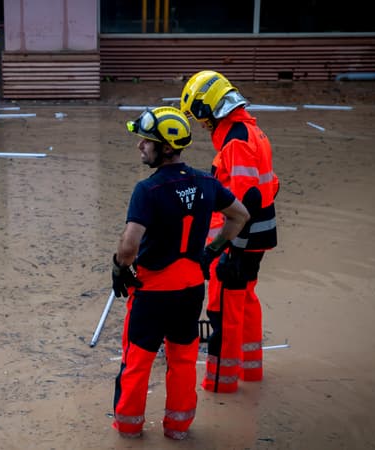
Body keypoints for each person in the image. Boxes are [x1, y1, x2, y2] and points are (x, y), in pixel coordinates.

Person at [111, 106, 250, 439]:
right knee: (184, 360)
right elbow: (240, 215)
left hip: (152, 293)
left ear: (166, 148)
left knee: (138, 362)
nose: (140, 146)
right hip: (190, 291)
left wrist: (119, 267)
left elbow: (129, 246)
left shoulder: (148, 190)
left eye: (146, 141)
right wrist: (212, 252)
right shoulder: (206, 182)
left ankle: (129, 431)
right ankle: (178, 429)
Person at [179, 70, 280, 394]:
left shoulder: (235, 141)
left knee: (223, 309)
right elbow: (267, 188)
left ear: (209, 110)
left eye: (199, 116)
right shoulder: (252, 131)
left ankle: (220, 385)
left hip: (239, 243)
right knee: (246, 300)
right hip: (257, 239)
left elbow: (243, 201)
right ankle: (250, 371)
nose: (200, 123)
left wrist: (225, 250)